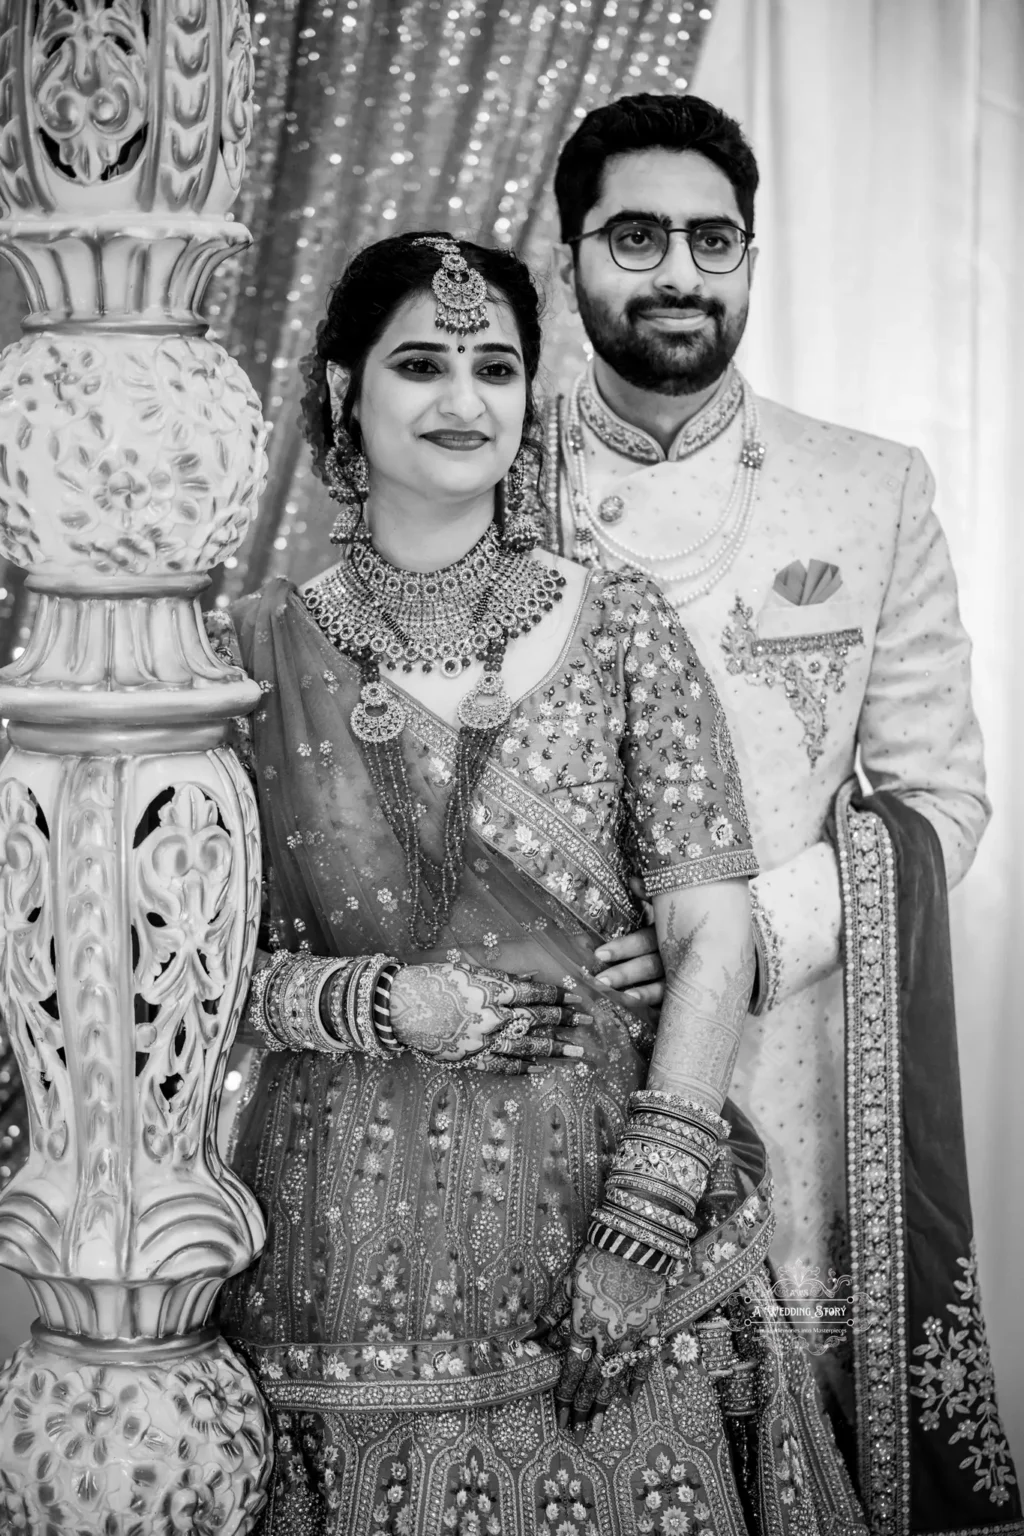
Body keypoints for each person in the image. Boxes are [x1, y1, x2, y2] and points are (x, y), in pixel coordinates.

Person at [210, 231, 866, 1533]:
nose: (464, 400)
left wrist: (641, 1225)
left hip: (612, 1244)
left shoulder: (618, 622)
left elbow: (711, 937)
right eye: (421, 363)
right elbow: (182, 972)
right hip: (344, 1259)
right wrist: (378, 1004)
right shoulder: (247, 653)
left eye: (495, 366)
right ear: (346, 389)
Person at [543, 94, 1020, 1531]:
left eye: (713, 238)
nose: (679, 271)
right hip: (543, 1052)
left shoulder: (866, 492)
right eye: (637, 236)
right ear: (569, 258)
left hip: (791, 1071)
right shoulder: (484, 478)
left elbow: (938, 798)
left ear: (751, 255)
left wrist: (743, 933)